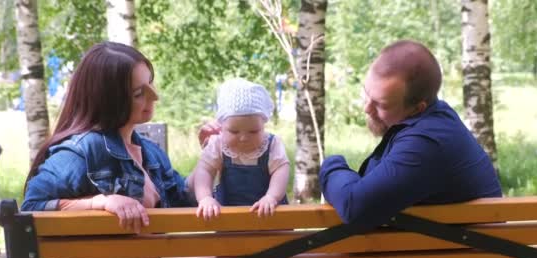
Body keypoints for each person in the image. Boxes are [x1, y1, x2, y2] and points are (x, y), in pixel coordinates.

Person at [319, 40, 502, 226]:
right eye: (366, 94)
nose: (367, 109)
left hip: (457, 254)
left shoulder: (426, 144)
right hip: (457, 251)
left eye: (382, 104)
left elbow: (354, 206)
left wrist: (332, 165)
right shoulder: (437, 120)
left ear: (417, 108)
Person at [21, 42, 193, 233]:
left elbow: (185, 198)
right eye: (138, 93)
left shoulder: (151, 153)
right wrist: (100, 202)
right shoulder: (82, 152)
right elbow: (30, 209)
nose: (154, 97)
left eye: (151, 82)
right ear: (109, 100)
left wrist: (216, 152)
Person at [193, 78, 290, 219]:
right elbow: (204, 170)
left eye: (253, 131)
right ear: (221, 126)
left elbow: (281, 169)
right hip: (229, 217)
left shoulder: (272, 145)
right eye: (234, 132)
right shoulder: (218, 144)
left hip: (269, 216)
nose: (243, 138)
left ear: (263, 125)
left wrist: (271, 197)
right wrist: (205, 198)